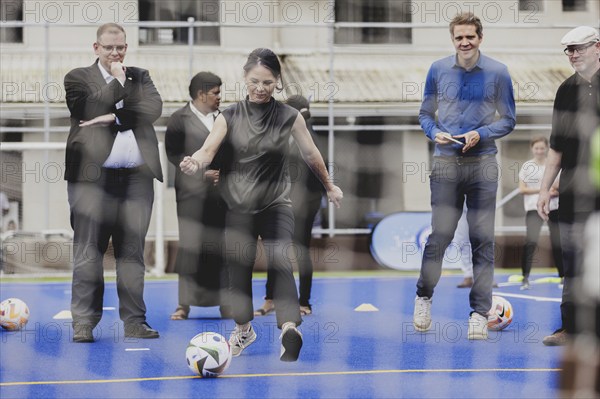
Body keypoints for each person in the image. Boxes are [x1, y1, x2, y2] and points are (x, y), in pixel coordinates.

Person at [180, 48, 343, 361]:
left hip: (276, 205)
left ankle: (289, 329)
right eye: (254, 81)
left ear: (277, 82)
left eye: (267, 82)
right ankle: (244, 329)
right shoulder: (228, 116)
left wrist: (329, 186)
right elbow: (207, 150)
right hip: (237, 208)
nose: (260, 87)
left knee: (281, 261)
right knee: (237, 273)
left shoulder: (289, 116)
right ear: (244, 79)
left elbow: (311, 154)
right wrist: (195, 162)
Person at [413, 13, 516, 340]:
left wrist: (481, 133)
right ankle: (424, 296)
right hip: (445, 164)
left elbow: (509, 119)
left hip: (483, 164)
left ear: (480, 38)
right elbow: (425, 115)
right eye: (459, 38)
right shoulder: (438, 70)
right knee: (440, 236)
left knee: (482, 239)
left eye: (470, 37)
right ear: (453, 39)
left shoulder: (498, 72)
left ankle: (478, 314)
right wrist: (434, 133)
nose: (465, 42)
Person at [64, 23, 163, 343]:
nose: (116, 53)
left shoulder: (142, 76)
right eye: (109, 48)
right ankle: (83, 323)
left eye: (120, 47)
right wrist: (118, 85)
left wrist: (114, 117)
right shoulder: (77, 77)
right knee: (88, 252)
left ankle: (135, 321)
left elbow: (154, 109)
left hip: (136, 180)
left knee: (132, 254)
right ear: (96, 48)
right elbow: (85, 107)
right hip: (92, 182)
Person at [537, 26, 599, 346]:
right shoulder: (565, 91)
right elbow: (557, 147)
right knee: (573, 261)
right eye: (569, 50)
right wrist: (545, 189)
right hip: (574, 192)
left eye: (579, 48)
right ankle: (570, 329)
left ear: (598, 47)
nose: (573, 54)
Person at [165, 72, 231, 320]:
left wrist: (224, 175)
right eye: (215, 92)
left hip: (221, 197)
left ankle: (226, 304)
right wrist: (201, 174)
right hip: (190, 198)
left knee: (221, 249)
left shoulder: (225, 118)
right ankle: (184, 304)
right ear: (202, 95)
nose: (219, 97)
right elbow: (174, 156)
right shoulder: (178, 120)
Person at [254, 95, 326, 317]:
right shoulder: (277, 134)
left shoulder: (310, 135)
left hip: (306, 203)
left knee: (300, 250)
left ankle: (304, 301)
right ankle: (270, 299)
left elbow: (317, 169)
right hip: (278, 201)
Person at [518, 136, 563, 290]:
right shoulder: (527, 166)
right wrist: (543, 191)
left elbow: (558, 188)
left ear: (546, 148)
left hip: (553, 207)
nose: (539, 151)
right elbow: (522, 189)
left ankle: (563, 276)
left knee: (558, 242)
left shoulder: (553, 165)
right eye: (536, 148)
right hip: (533, 208)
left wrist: (552, 192)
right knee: (530, 243)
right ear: (532, 149)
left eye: (542, 148)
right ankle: (525, 278)